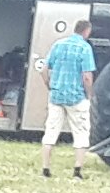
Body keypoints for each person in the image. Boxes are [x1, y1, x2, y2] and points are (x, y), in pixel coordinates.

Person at [36, 22, 96, 177]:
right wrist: (89, 94)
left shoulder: (58, 44)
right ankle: (77, 170)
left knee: (51, 132)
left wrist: (49, 85)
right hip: (76, 97)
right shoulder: (84, 48)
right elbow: (87, 76)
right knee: (81, 133)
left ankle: (45, 168)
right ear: (87, 31)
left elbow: (43, 69)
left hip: (56, 96)